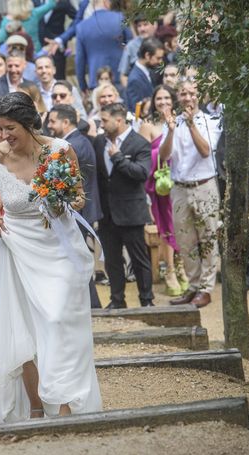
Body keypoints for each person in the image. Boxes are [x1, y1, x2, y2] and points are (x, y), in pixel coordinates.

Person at [0, 92, 102, 422]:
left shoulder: (60, 150)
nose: (4, 136)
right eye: (0, 128)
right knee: (23, 329)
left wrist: (65, 199)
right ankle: (35, 406)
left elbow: (78, 197)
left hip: (60, 245)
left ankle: (64, 403)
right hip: (17, 247)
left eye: (10, 128)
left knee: (58, 320)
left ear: (29, 124)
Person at [160, 80, 221, 309]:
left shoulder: (210, 120)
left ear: (199, 96)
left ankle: (205, 288)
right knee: (185, 241)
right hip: (179, 188)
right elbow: (166, 156)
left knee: (208, 237)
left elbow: (205, 151)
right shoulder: (172, 123)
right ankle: (193, 286)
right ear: (178, 96)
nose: (187, 98)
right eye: (183, 93)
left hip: (204, 185)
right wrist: (171, 131)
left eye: (191, 93)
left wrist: (191, 125)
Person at [94, 103, 154, 308]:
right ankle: (117, 300)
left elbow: (142, 173)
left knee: (139, 259)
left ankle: (146, 300)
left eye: (104, 120)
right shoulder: (99, 141)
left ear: (118, 120)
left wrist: (118, 158)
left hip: (131, 212)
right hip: (107, 213)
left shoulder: (139, 143)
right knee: (112, 260)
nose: (101, 125)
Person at [47, 104, 102, 307]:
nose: (49, 125)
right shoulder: (78, 141)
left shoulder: (73, 145)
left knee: (76, 258)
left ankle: (91, 304)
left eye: (52, 121)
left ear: (66, 122)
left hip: (78, 212)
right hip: (79, 210)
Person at [138, 85, 188, 296]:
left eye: (167, 97)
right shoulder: (147, 125)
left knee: (181, 226)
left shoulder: (183, 120)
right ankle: (169, 272)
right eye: (159, 98)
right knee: (166, 227)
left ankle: (180, 265)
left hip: (181, 178)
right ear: (153, 101)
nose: (163, 102)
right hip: (160, 184)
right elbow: (142, 156)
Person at [75, 0, 133, 93]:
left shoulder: (82, 27)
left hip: (96, 81)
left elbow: (79, 60)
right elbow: (131, 46)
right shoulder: (120, 18)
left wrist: (83, 86)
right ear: (106, 2)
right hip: (121, 78)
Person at [0, 51, 35, 118]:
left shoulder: (31, 86)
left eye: (17, 66)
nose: (13, 70)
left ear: (24, 65)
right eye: (10, 66)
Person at [117, 13, 158, 88]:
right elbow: (123, 76)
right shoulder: (131, 46)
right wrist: (132, 91)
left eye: (145, 25)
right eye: (139, 26)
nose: (142, 29)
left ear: (154, 25)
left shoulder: (160, 43)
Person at [125, 37, 165, 112]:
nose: (160, 62)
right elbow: (137, 110)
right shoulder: (135, 80)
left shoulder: (149, 72)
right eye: (158, 58)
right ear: (147, 56)